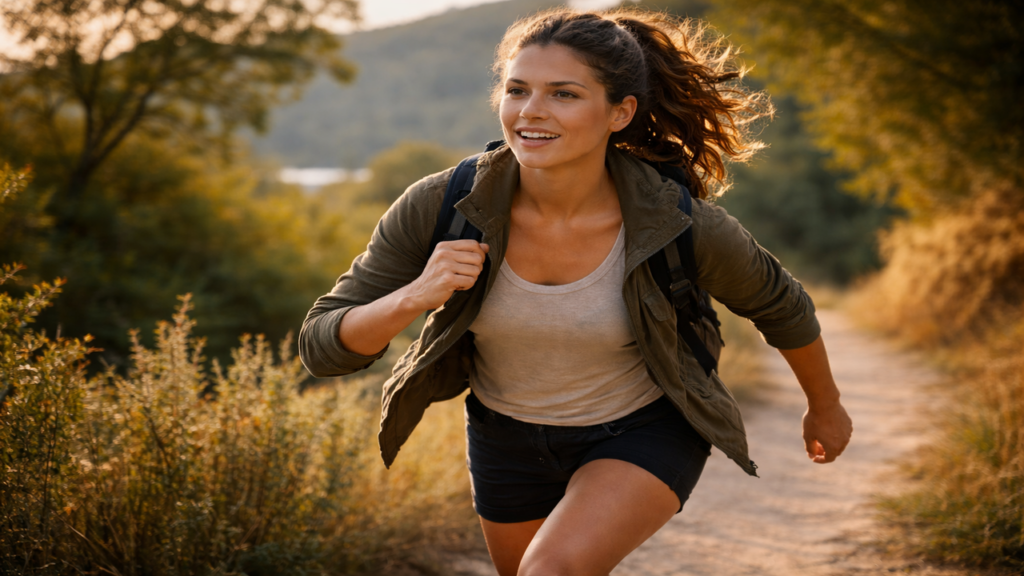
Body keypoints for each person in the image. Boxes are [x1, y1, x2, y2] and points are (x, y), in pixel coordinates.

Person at [299, 7, 853, 576]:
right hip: (504, 438)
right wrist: (414, 296)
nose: (531, 111)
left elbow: (781, 305)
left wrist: (825, 405)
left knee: (551, 570)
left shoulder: (677, 221)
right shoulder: (441, 204)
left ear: (620, 112)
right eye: (517, 90)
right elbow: (322, 346)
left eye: (564, 94)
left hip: (644, 426)